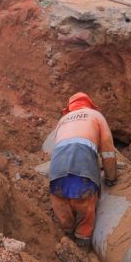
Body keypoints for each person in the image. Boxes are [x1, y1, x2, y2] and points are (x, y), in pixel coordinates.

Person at [48, 92, 117, 248]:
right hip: (83, 167)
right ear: (89, 104)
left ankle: (67, 234)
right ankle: (82, 242)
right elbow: (107, 151)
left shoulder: (62, 120)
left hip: (57, 169)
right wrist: (111, 178)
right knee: (86, 206)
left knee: (61, 202)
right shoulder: (96, 116)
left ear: (70, 108)